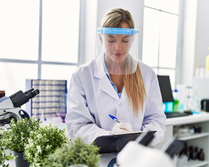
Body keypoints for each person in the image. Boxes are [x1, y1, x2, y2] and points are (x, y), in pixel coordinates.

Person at [66, 8, 166, 167]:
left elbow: (157, 121)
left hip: (138, 159)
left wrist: (137, 139)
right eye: (111, 40)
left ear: (133, 39)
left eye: (125, 40)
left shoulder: (147, 74)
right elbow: (77, 126)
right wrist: (110, 136)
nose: (118, 48)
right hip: (98, 160)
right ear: (100, 38)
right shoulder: (82, 75)